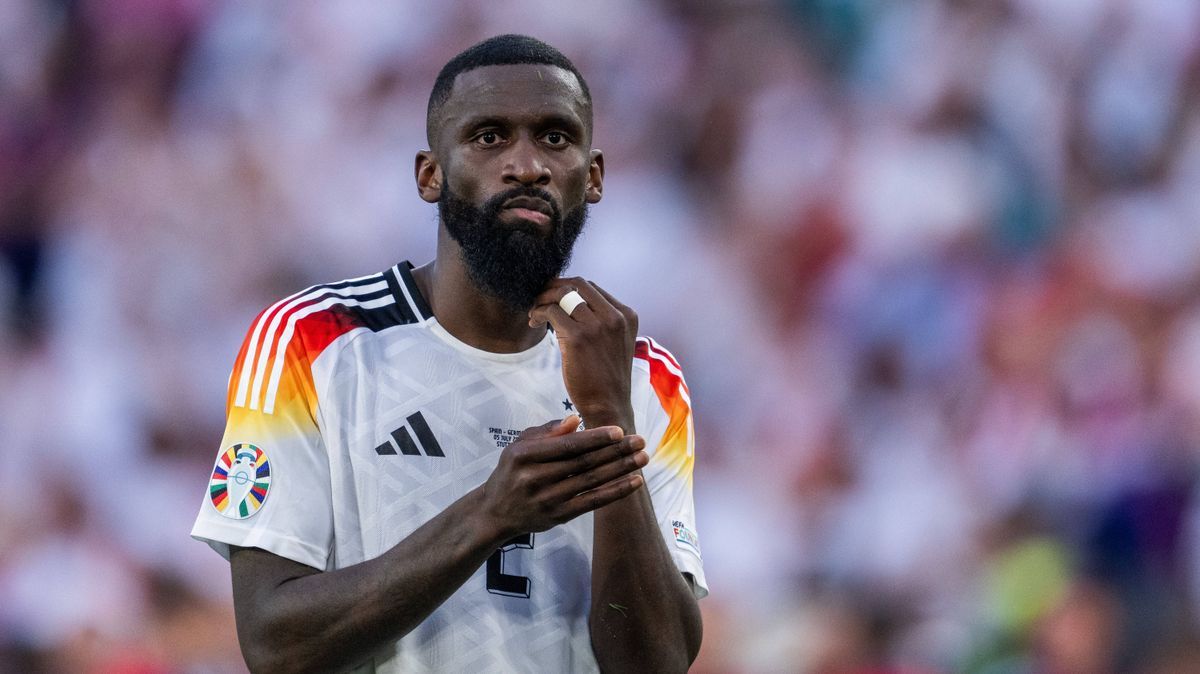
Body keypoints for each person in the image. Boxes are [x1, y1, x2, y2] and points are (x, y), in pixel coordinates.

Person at [191, 34, 706, 673]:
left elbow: (656, 665)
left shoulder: (646, 378)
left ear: (592, 176)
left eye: (555, 138)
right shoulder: (312, 339)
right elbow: (273, 644)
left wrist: (609, 420)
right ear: (430, 175)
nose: (526, 165)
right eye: (490, 137)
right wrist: (491, 513)